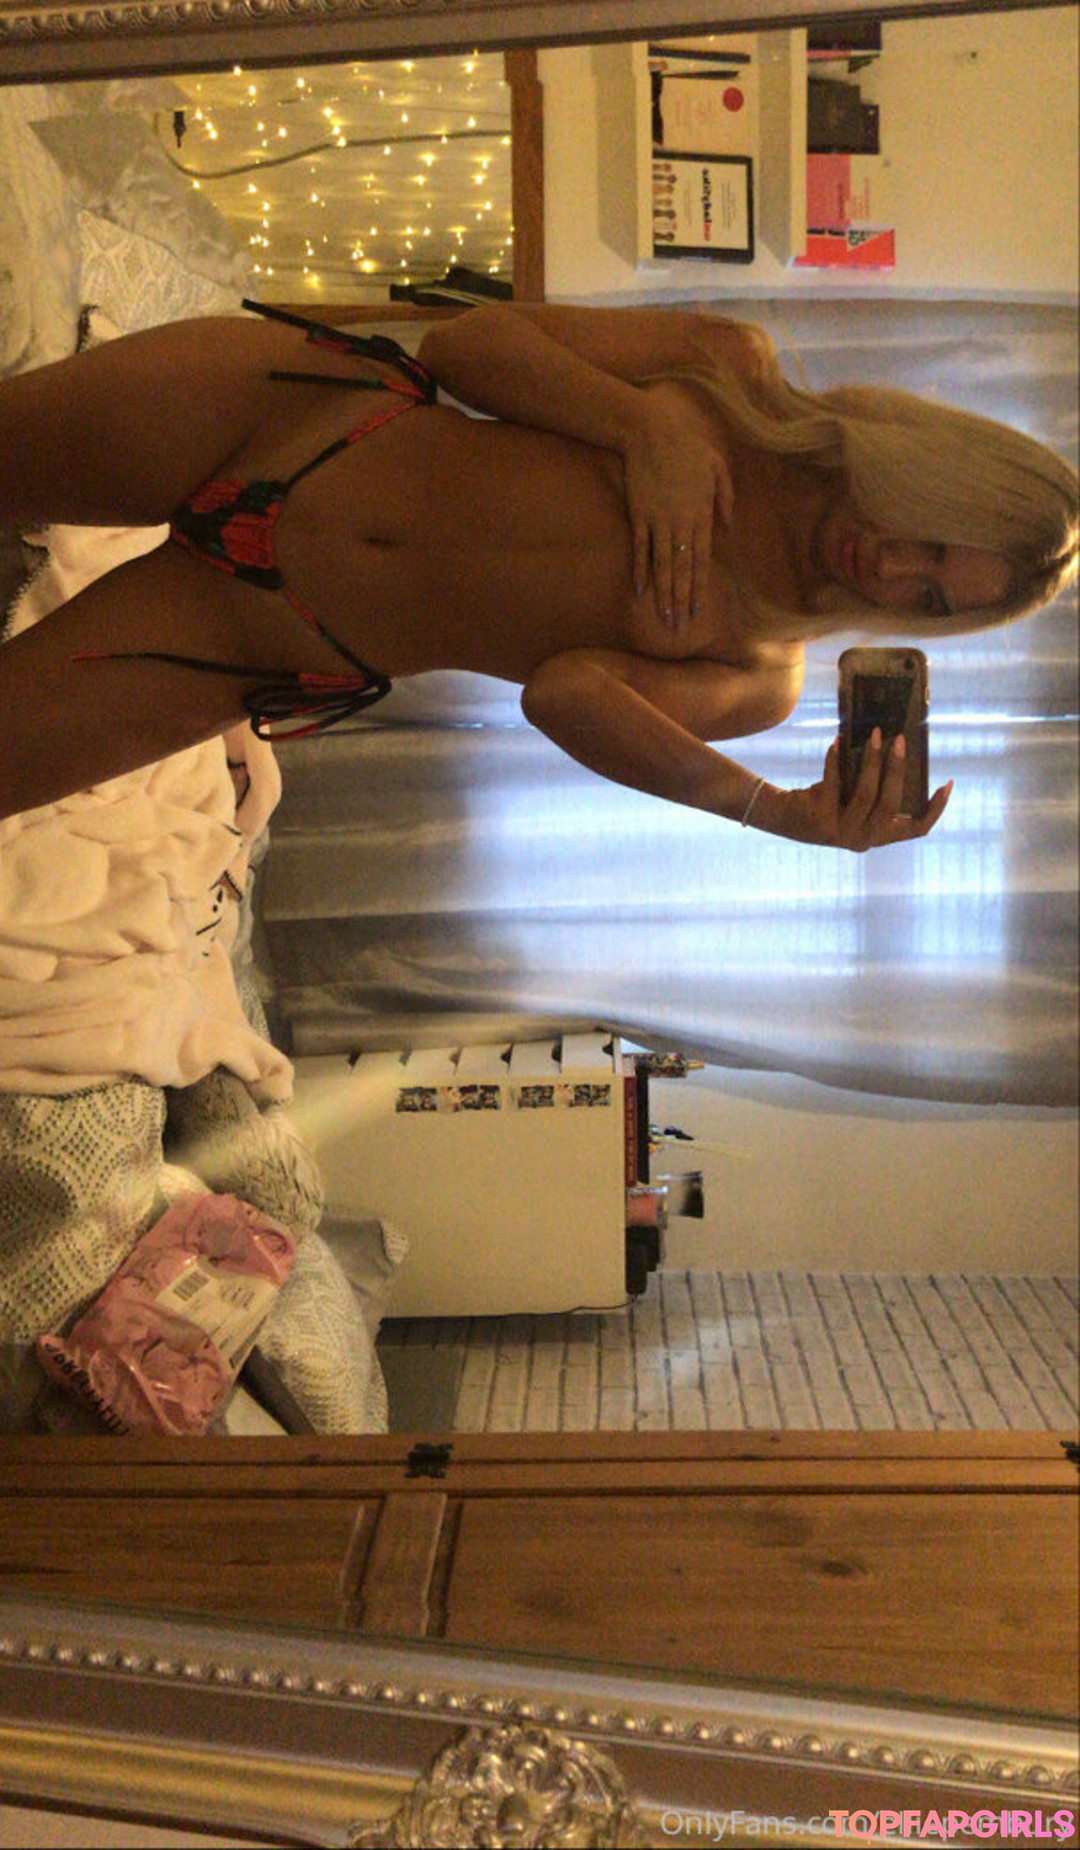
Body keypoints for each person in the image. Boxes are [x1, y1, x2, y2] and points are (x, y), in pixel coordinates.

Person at [0, 300, 1075, 846]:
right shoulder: (728, 371)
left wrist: (776, 813)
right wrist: (644, 425)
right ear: (930, 469)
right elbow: (465, 346)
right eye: (930, 537)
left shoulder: (760, 671)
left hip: (257, 635)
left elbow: (561, 694)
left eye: (929, 596)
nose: (893, 569)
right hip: (285, 417)